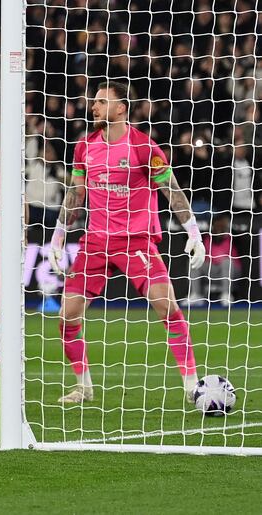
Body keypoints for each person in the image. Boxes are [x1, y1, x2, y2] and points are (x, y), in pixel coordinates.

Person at [48, 81, 207, 404]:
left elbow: (171, 191)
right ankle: (84, 386)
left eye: (102, 102)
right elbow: (77, 195)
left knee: (167, 306)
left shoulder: (144, 148)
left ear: (121, 108)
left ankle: (192, 384)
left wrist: (194, 233)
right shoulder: (84, 147)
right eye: (94, 101)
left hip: (135, 241)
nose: (93, 107)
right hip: (95, 242)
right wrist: (58, 235)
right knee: (67, 316)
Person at [184, 212, 240, 307]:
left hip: (231, 271)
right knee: (193, 261)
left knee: (226, 262)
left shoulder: (233, 236)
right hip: (212, 269)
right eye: (217, 224)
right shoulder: (207, 237)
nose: (219, 226)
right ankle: (196, 294)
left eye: (222, 224)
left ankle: (226, 294)